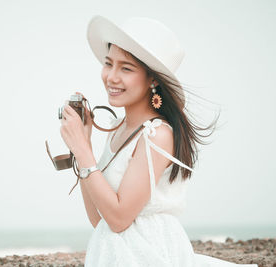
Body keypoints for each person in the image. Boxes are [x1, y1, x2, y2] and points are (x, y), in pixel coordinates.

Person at [59, 15, 258, 266]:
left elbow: (119, 218)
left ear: (153, 79)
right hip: (115, 254)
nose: (111, 77)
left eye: (126, 68)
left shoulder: (158, 134)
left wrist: (82, 150)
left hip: (149, 255)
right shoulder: (116, 129)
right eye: (109, 64)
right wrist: (82, 148)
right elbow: (99, 220)